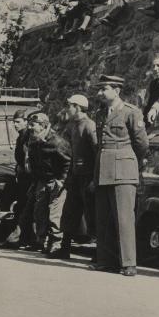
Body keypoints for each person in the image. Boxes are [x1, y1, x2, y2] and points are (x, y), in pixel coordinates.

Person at [89, 75, 148, 276]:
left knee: (124, 218)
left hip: (123, 170)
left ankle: (129, 263)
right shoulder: (100, 114)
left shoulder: (131, 113)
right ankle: (106, 260)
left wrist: (129, 163)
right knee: (103, 218)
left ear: (117, 90)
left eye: (103, 89)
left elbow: (142, 145)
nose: (100, 93)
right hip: (103, 170)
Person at [49, 95, 97, 259]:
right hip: (75, 177)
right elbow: (70, 153)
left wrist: (94, 179)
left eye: (69, 105)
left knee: (92, 215)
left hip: (88, 178)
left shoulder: (89, 126)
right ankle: (65, 248)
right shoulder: (72, 126)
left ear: (77, 107)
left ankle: (98, 251)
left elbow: (97, 153)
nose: (66, 108)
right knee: (69, 213)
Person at [21, 111, 71, 253]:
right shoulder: (33, 140)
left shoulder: (57, 142)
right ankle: (40, 242)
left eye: (33, 125)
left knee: (55, 215)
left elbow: (68, 162)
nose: (29, 128)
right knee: (39, 213)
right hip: (41, 181)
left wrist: (61, 180)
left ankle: (56, 244)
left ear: (43, 126)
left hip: (56, 182)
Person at [0, 109, 34, 249]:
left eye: (18, 122)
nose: (15, 125)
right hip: (22, 177)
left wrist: (23, 169)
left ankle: (18, 239)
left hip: (28, 178)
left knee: (24, 209)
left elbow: (27, 158)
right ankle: (21, 239)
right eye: (14, 122)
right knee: (21, 208)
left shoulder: (28, 137)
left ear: (26, 122)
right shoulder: (21, 136)